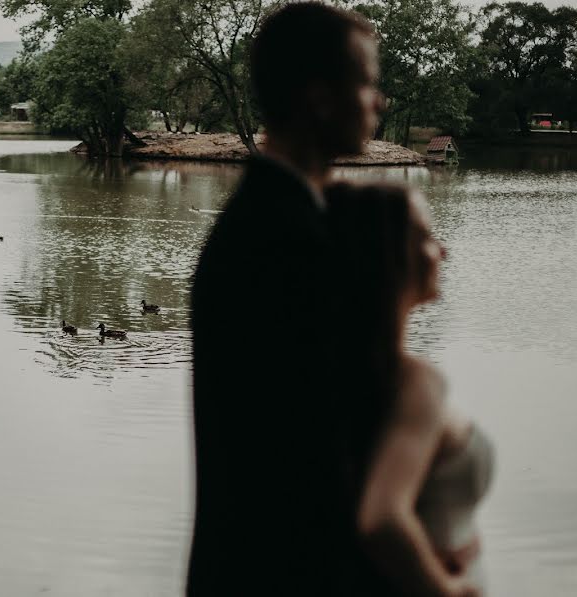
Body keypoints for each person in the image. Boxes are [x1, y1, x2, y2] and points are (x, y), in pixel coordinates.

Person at [188, 3, 380, 595]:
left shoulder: (271, 219)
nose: (380, 101)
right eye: (369, 82)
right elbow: (316, 455)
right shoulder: (285, 242)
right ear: (322, 100)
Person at [325, 183, 495, 597]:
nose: (443, 250)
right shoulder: (415, 383)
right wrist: (443, 590)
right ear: (389, 255)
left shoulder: (338, 372)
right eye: (426, 237)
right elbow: (382, 519)